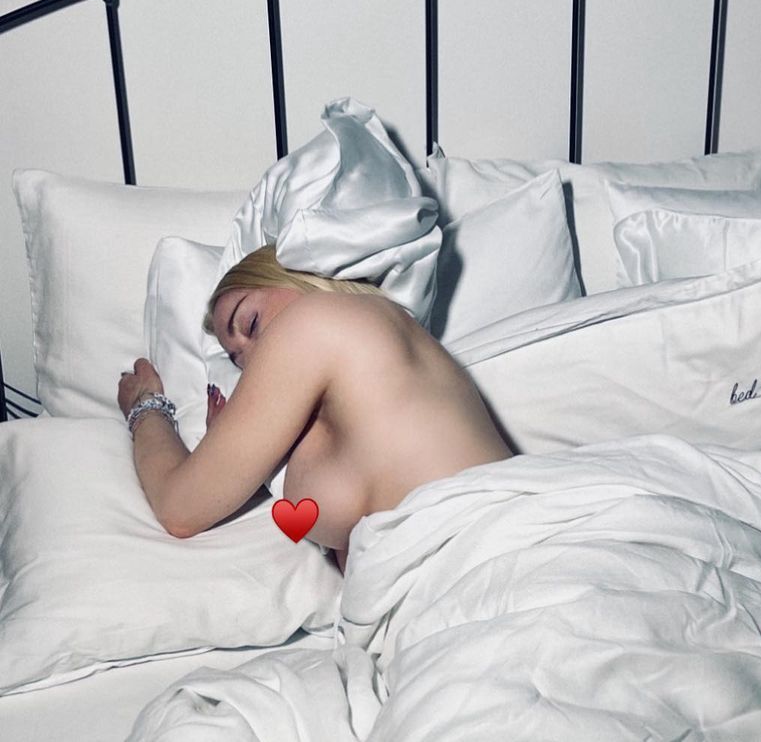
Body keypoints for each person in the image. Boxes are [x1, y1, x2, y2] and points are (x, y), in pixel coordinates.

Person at [117, 245, 513, 573]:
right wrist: (240, 447)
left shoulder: (314, 320)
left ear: (299, 277)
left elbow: (180, 509)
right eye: (236, 360)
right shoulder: (359, 392)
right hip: (440, 600)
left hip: (490, 556)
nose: (252, 362)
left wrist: (145, 406)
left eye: (251, 323)